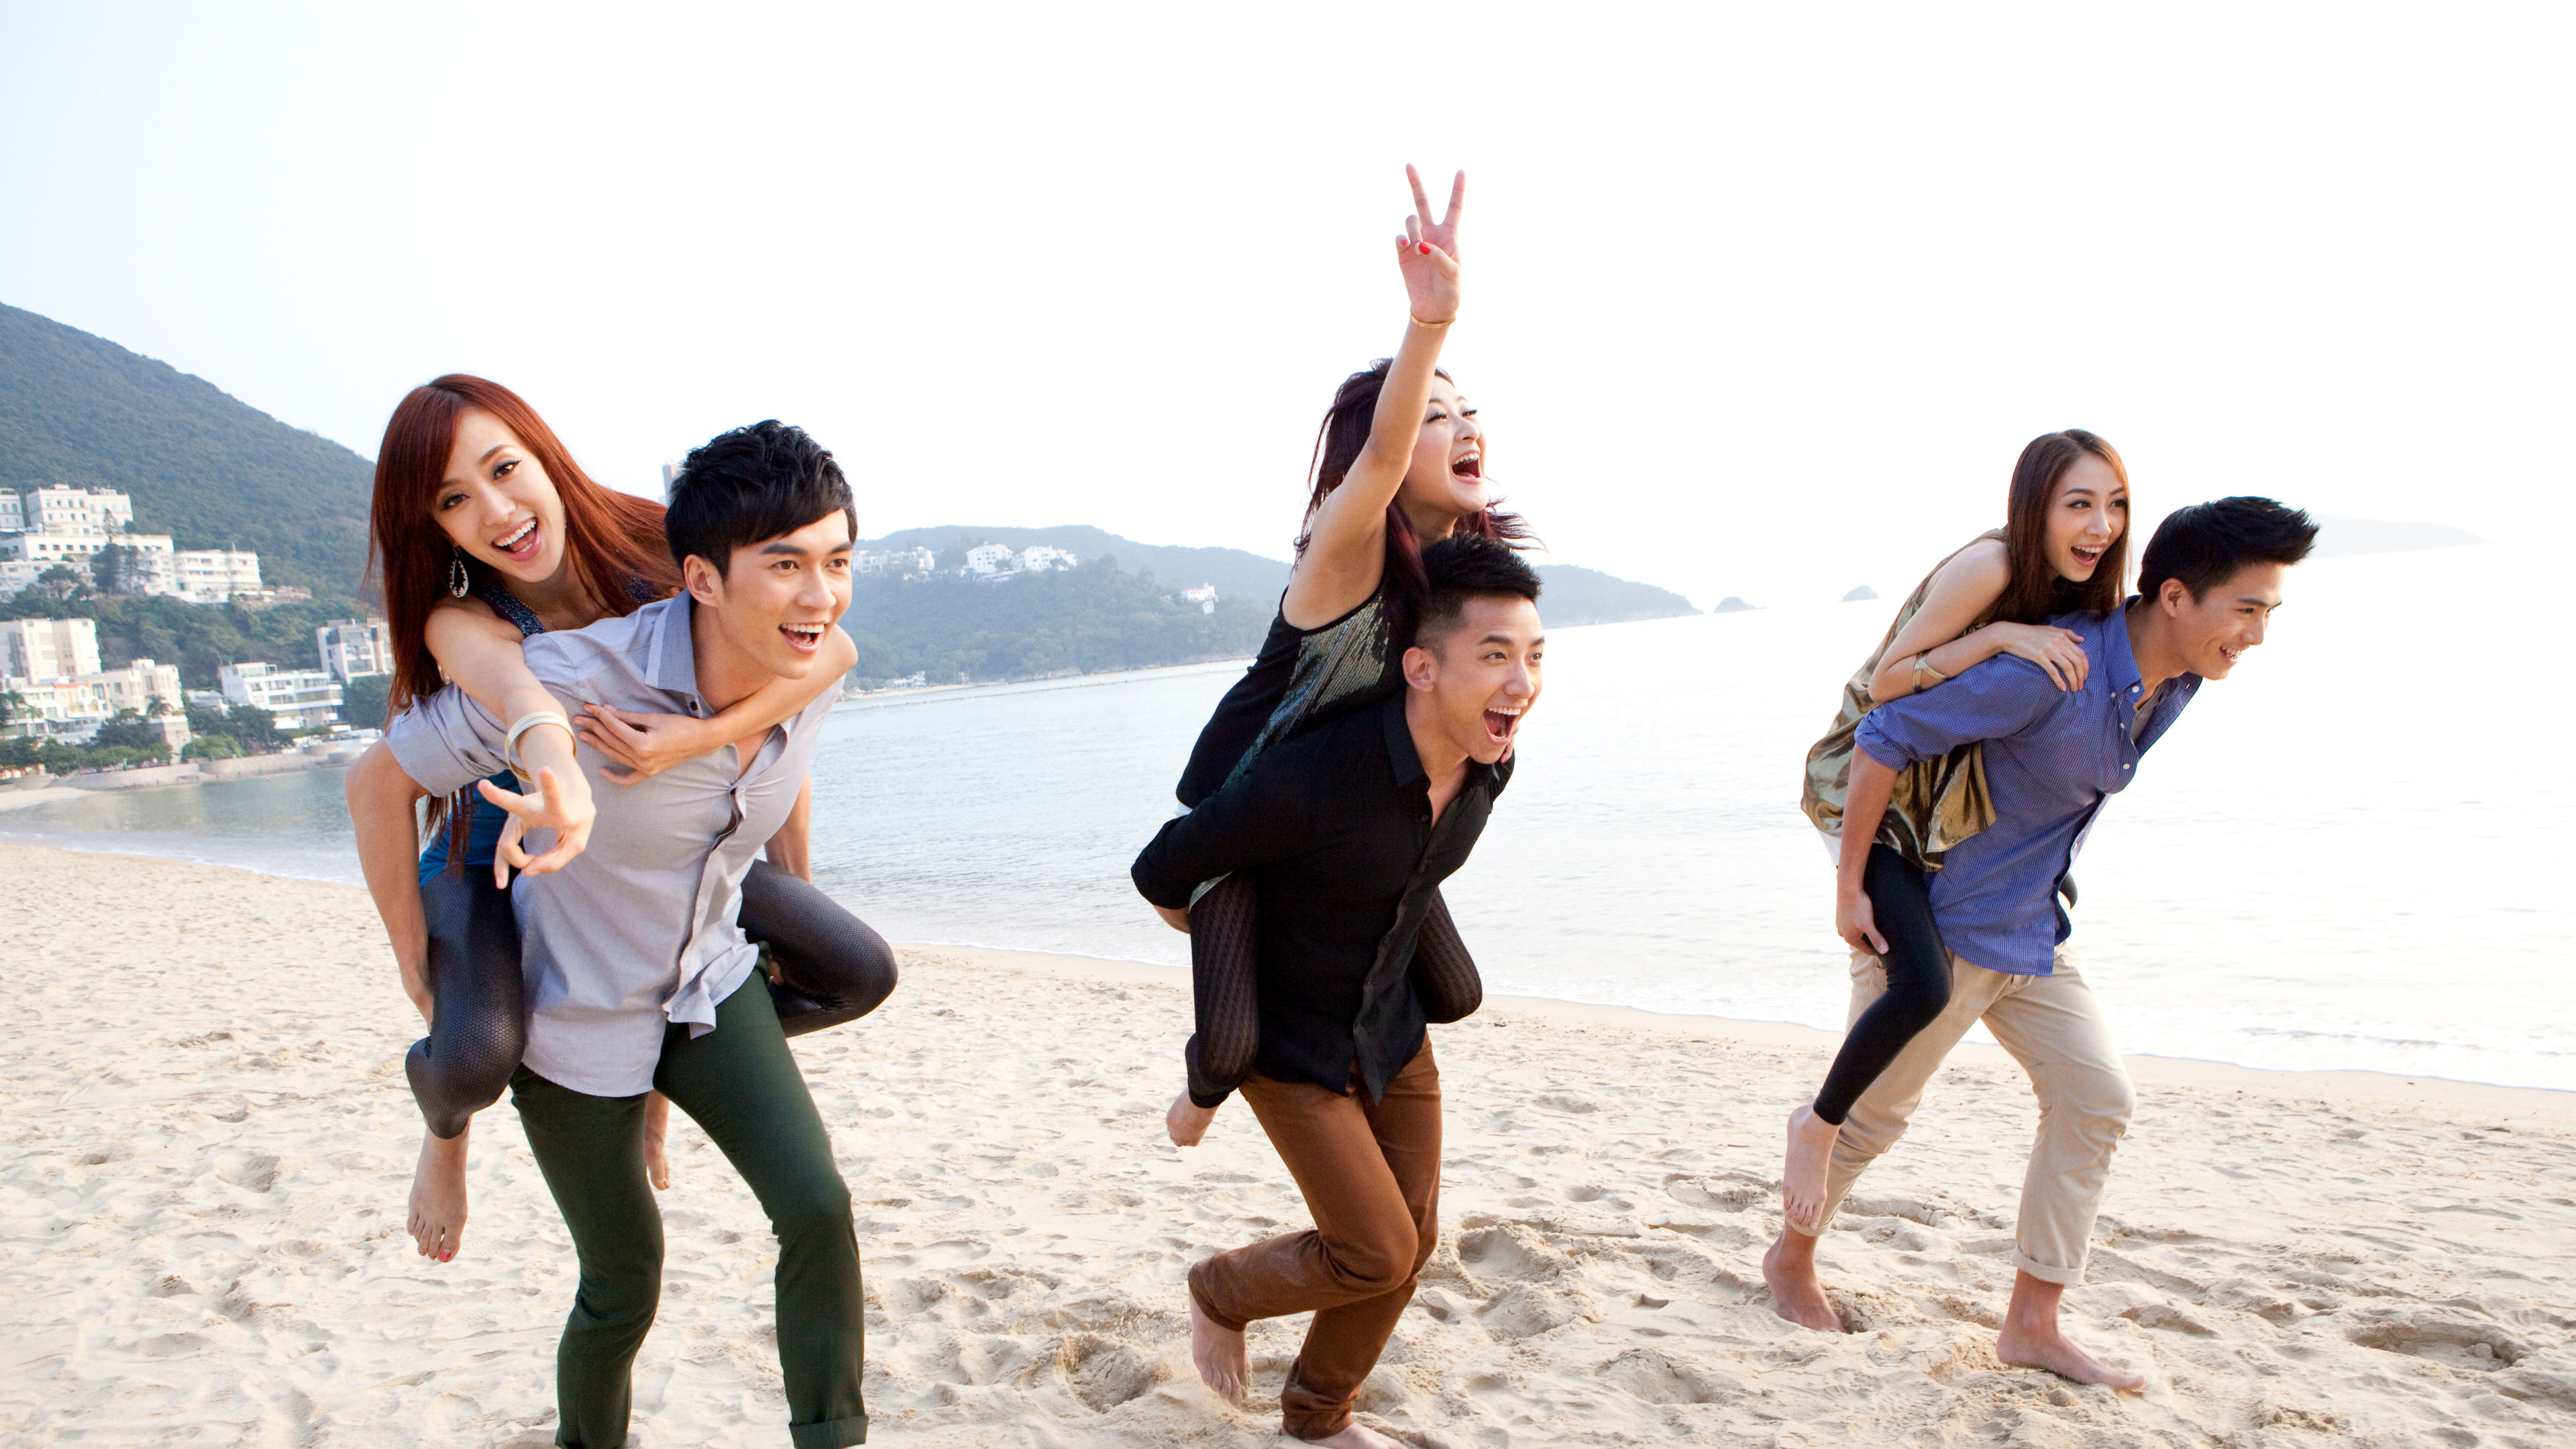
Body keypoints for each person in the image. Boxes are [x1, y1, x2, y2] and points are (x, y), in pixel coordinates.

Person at [346, 421, 873, 1449]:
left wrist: (777, 875)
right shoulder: (562, 669)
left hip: (706, 977)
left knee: (818, 1205)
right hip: (573, 1000)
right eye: (787, 568)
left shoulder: (803, 646)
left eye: (837, 564)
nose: (819, 595)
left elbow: (814, 693)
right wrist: (421, 979)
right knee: (623, 1283)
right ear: (705, 580)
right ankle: (449, 1132)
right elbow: (387, 777)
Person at [1763, 496, 2319, 1390]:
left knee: (2096, 1097)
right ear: (2175, 596)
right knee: (1868, 1124)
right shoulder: (2052, 669)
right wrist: (1854, 885)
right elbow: (1886, 730)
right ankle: (1790, 1260)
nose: (2257, 633)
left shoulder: (2173, 685)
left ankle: (2032, 1323)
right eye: (2248, 609)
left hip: (2033, 932)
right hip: (1943, 928)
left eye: (2269, 613)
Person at [1135, 533, 1544, 1448]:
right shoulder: (1316, 779)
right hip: (1289, 1043)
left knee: (1412, 1242)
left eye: (1533, 656)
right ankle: (1220, 1289)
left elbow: (1411, 878)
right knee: (1374, 1250)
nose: (1521, 682)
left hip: (1393, 1027)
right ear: (1421, 669)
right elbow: (1164, 867)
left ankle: (1318, 1419)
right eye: (1495, 657)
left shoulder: (1490, 765)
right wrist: (1240, 945)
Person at [1165, 165, 1531, 1132]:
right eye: (1433, 415)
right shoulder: (1342, 553)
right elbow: (1378, 462)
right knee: (1234, 1046)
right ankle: (1198, 1098)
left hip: (1357, 820)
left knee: (1453, 993)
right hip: (1250, 814)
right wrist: (1430, 325)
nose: (1463, 427)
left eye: (1469, 411)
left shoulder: (1459, 569)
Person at [1786, 430, 2132, 1230]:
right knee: (1923, 986)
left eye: (2114, 506)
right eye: (2078, 504)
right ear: (2034, 507)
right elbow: (1887, 685)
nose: (2100, 526)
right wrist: (2003, 635)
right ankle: (1818, 1123)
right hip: (1868, 792)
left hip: (1938, 802)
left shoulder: (2082, 595)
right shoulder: (1995, 568)